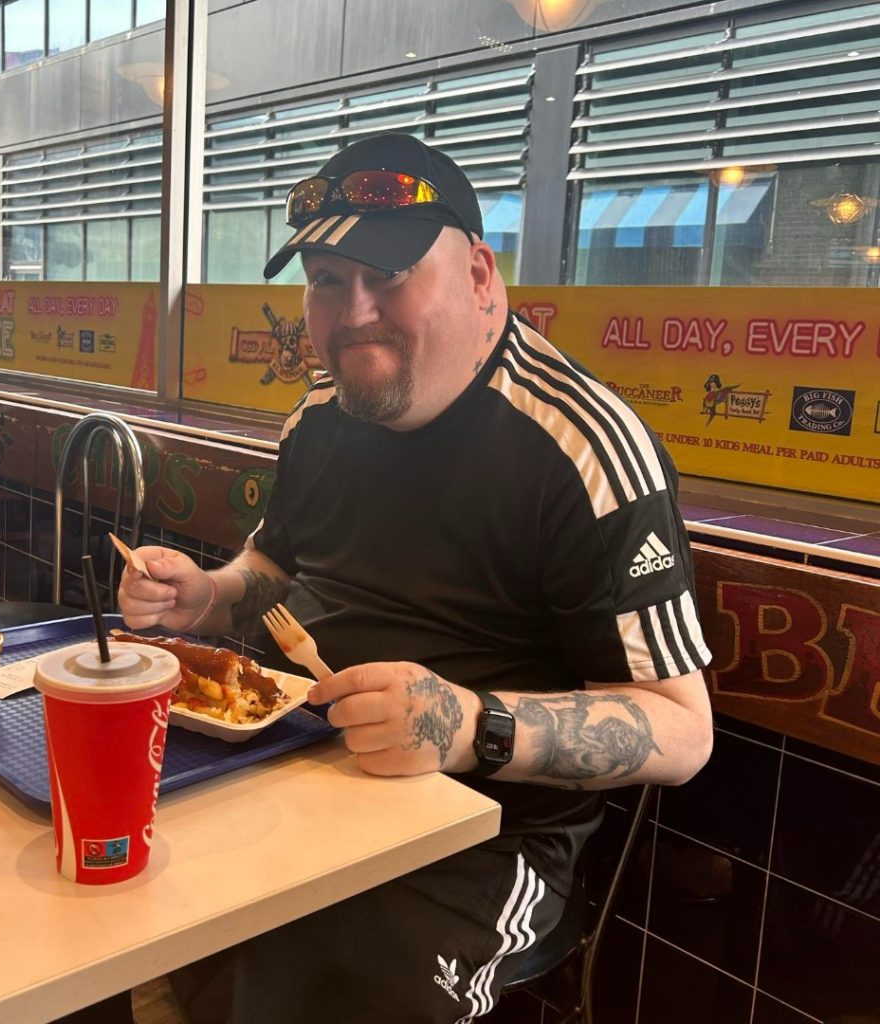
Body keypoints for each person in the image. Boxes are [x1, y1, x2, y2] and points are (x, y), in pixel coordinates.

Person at [118, 132, 714, 1024]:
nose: (354, 312)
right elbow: (274, 564)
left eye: (388, 274)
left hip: (486, 830)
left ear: (479, 274)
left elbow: (682, 729)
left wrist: (471, 725)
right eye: (328, 279)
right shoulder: (321, 416)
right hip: (299, 763)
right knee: (110, 885)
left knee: (312, 988)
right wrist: (209, 593)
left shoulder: (583, 448)